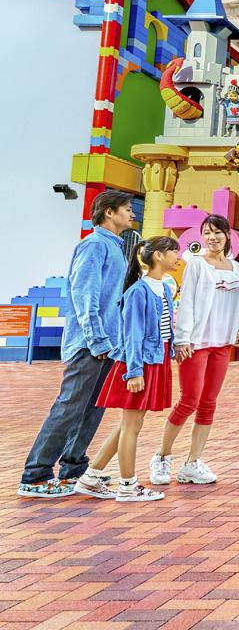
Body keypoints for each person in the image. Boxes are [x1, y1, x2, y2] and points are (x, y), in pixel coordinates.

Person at [19, 190, 134, 499]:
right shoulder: (94, 245)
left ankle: (73, 469)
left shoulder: (114, 246)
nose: (131, 214)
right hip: (90, 344)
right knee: (69, 406)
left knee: (92, 409)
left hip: (107, 344)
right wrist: (96, 341)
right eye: (126, 209)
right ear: (109, 212)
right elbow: (85, 296)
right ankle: (37, 474)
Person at [77, 237, 180, 502]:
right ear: (158, 256)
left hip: (154, 361)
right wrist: (134, 372)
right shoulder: (138, 291)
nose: (178, 257)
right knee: (132, 425)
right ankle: (128, 485)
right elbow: (131, 335)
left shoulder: (165, 289)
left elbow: (165, 330)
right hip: (138, 363)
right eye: (174, 252)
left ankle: (91, 476)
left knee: (129, 424)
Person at [151, 214, 239, 487]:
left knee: (209, 402)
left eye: (217, 232)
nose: (212, 237)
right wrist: (182, 340)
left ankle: (193, 462)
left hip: (223, 343)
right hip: (196, 343)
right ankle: (162, 456)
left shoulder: (235, 267)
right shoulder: (196, 264)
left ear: (228, 236)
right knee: (189, 400)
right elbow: (188, 301)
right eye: (207, 232)